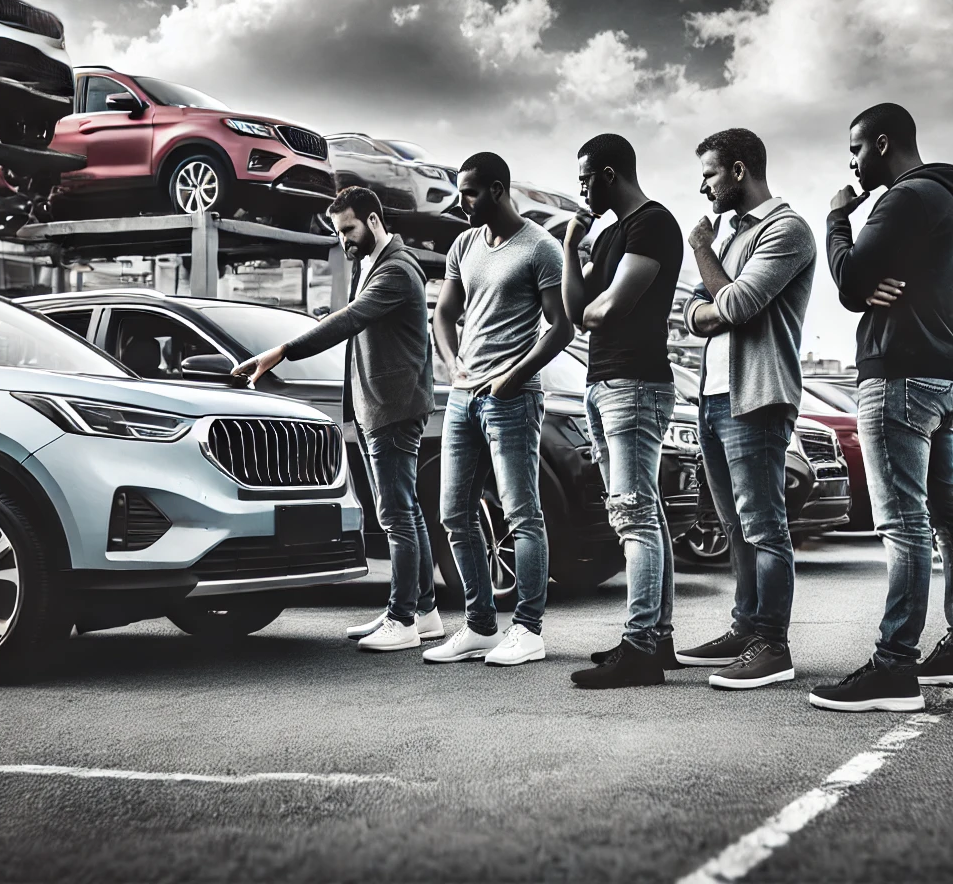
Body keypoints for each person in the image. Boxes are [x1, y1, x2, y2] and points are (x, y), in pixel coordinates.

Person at [809, 102, 953, 715]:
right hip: (938, 377)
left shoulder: (904, 197)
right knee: (948, 515)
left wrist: (837, 218)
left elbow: (850, 279)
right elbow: (863, 286)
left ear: (882, 143)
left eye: (856, 149)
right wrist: (863, 288)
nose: (853, 164)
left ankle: (894, 667)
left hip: (898, 377)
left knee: (904, 523)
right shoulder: (942, 199)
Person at [234, 187, 440, 651]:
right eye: (338, 231)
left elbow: (348, 320)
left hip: (393, 409)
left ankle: (403, 619)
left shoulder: (397, 269)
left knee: (396, 516)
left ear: (373, 220)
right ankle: (423, 612)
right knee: (405, 511)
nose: (343, 239)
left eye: (348, 229)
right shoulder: (369, 264)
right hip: (377, 407)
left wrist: (282, 351)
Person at [677, 127, 816, 691]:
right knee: (733, 524)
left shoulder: (787, 229)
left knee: (763, 526)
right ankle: (745, 630)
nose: (703, 186)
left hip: (756, 398)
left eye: (709, 174)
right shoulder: (734, 235)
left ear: (738, 171)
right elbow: (694, 311)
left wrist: (702, 252)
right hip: (713, 398)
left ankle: (772, 646)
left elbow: (734, 304)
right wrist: (719, 301)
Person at [424, 152, 573, 666]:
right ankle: (481, 626)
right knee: (453, 514)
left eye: (468, 192)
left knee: (522, 513)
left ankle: (528, 630)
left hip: (514, 398)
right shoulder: (464, 244)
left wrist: (512, 376)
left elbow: (561, 327)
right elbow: (444, 313)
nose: (460, 201)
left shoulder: (540, 247)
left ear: (497, 189)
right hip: (463, 397)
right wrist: (452, 364)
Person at [560, 134, 686, 689]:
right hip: (603, 384)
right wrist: (571, 247)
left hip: (636, 384)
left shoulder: (652, 224)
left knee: (634, 514)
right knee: (643, 512)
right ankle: (657, 638)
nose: (581, 190)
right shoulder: (609, 234)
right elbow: (573, 311)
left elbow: (609, 307)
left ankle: (640, 650)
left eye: (585, 179)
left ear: (608, 174)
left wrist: (592, 307)